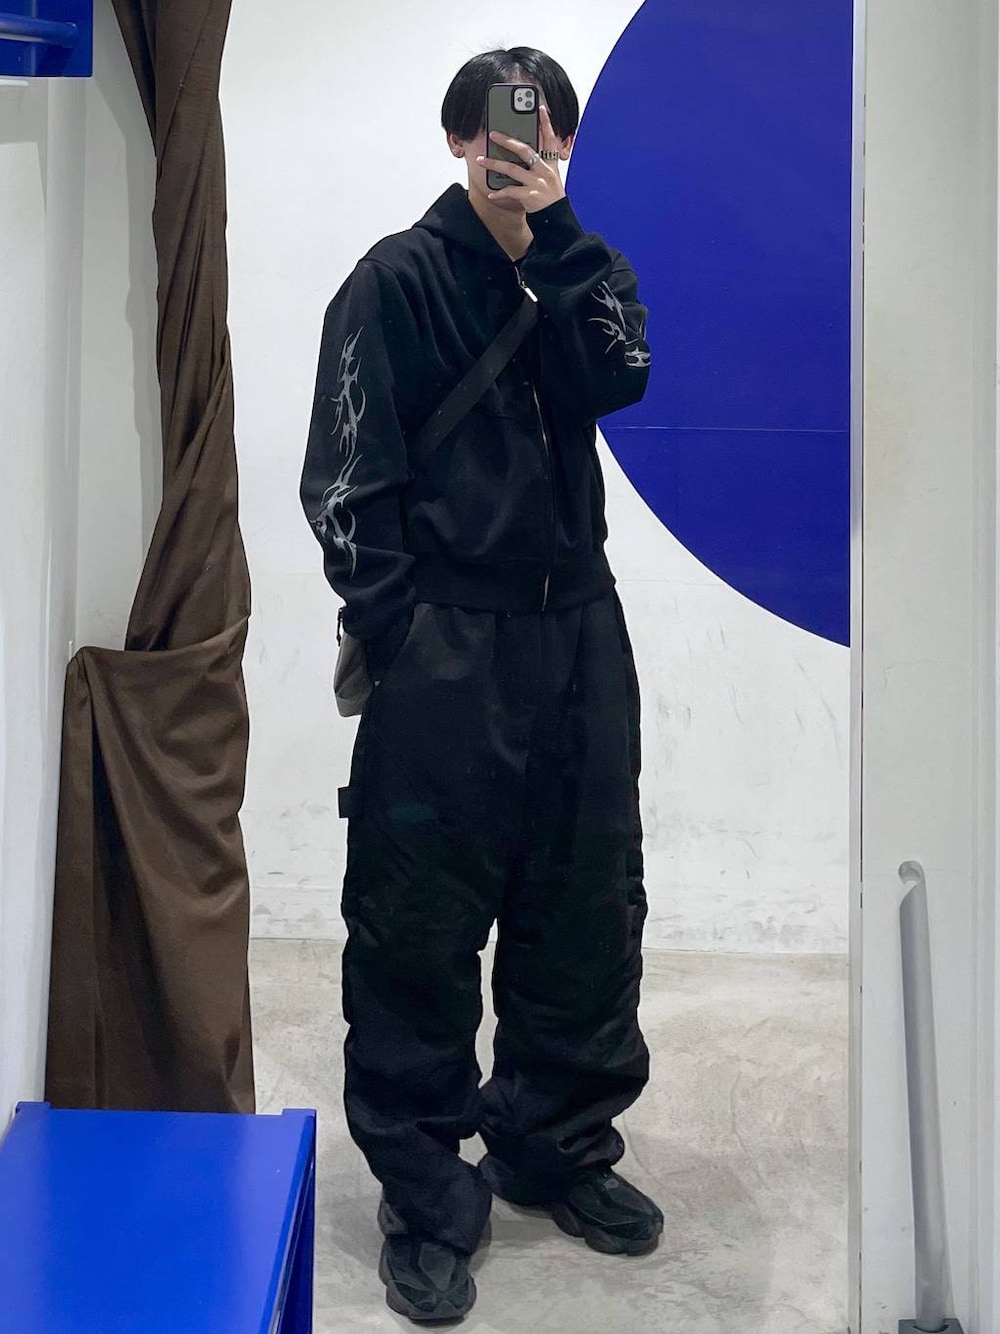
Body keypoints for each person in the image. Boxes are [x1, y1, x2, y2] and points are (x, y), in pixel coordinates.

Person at [300, 46, 661, 1325]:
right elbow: (345, 483)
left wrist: (555, 236)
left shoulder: (583, 270)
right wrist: (398, 630)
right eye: (507, 128)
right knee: (416, 922)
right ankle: (423, 1191)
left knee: (586, 900)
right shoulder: (394, 280)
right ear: (460, 139)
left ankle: (554, 1143)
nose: (528, 148)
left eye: (548, 131)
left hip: (580, 637)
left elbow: (622, 373)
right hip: (445, 646)